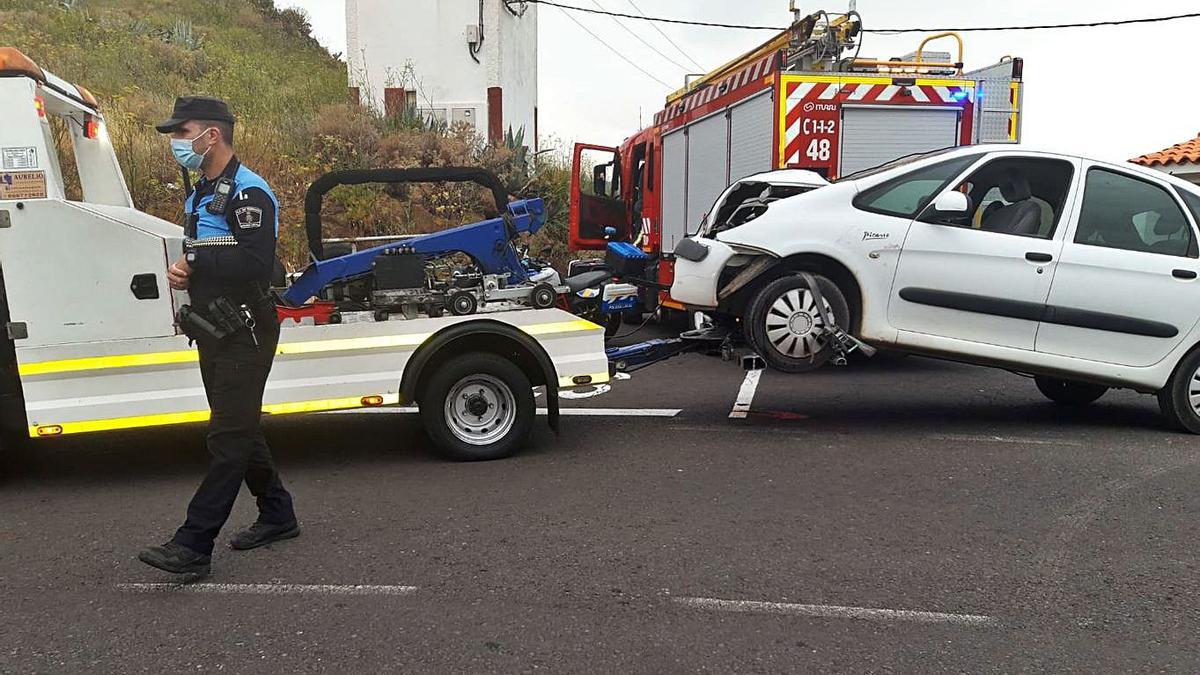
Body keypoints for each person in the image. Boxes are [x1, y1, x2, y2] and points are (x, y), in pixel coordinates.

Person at [138, 96, 299, 576]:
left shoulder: (249, 193)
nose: (175, 143)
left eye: (181, 133)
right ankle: (278, 514)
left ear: (212, 135)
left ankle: (193, 543)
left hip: (245, 328)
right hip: (215, 328)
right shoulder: (201, 193)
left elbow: (257, 264)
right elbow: (207, 252)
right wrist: (188, 274)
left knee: (228, 436)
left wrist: (200, 263)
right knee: (240, 428)